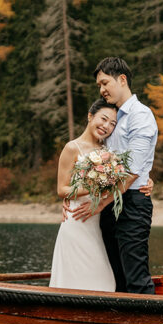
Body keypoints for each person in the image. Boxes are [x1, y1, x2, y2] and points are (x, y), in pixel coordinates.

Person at [71, 57, 158, 294]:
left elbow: (132, 172)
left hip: (131, 204)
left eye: (105, 83)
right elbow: (93, 159)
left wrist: (99, 205)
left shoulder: (141, 116)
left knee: (136, 277)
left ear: (122, 79)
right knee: (115, 278)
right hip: (109, 205)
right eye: (99, 85)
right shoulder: (109, 116)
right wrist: (73, 197)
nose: (101, 89)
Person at [48, 99, 119, 291]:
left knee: (105, 281)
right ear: (90, 116)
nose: (106, 126)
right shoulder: (72, 148)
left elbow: (121, 180)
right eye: (103, 119)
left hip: (96, 219)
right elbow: (62, 189)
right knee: (73, 277)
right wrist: (94, 186)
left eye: (112, 124)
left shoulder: (108, 153)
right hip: (76, 220)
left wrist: (147, 181)